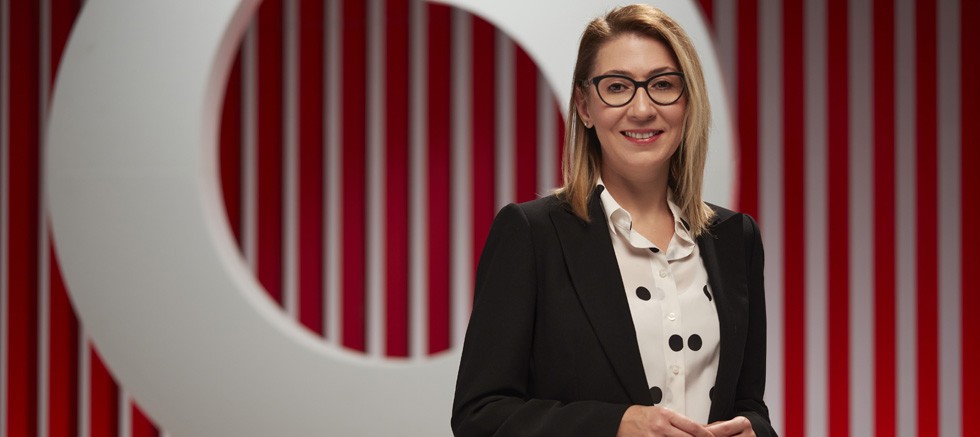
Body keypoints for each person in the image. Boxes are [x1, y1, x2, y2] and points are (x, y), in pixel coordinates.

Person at [451, 4, 776, 437]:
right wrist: (616, 424)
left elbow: (750, 404)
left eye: (663, 85)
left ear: (688, 102)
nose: (641, 108)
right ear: (585, 106)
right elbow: (479, 416)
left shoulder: (736, 238)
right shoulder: (532, 234)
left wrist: (755, 430)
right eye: (617, 87)